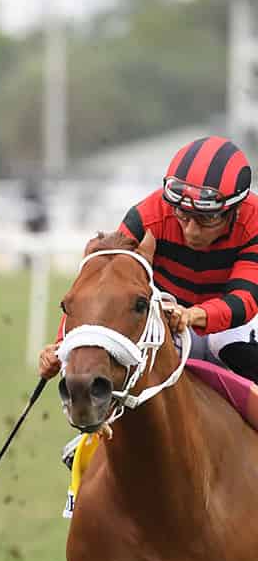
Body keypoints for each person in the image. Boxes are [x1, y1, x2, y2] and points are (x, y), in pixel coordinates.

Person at [38, 136, 258, 383]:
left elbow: (244, 300)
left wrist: (192, 315)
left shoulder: (254, 220)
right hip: (168, 319)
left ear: (235, 209)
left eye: (207, 219)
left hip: (232, 324)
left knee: (229, 343)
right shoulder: (148, 216)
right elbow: (99, 283)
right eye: (183, 215)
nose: (191, 232)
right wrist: (62, 345)